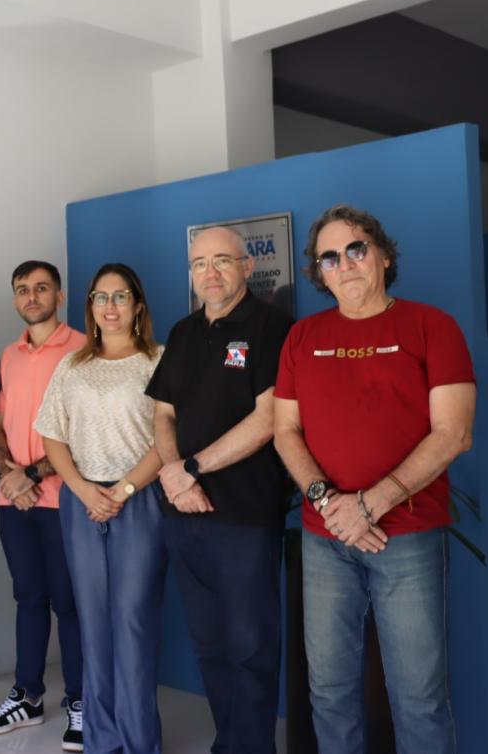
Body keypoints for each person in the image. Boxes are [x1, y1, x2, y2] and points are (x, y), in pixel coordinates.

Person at [274, 205, 474, 754]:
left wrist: (369, 504)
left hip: (407, 535)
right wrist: (329, 503)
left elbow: (454, 433)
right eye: (329, 257)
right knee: (329, 690)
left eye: (356, 249)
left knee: (419, 696)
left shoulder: (432, 326)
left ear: (383, 255)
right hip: (325, 538)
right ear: (319, 272)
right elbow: (285, 430)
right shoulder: (302, 337)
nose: (345, 264)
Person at [146, 226, 293, 754]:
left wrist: (191, 468)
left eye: (222, 261)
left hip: (244, 516)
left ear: (247, 267)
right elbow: (163, 413)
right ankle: (229, 744)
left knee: (250, 649)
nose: (210, 272)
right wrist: (174, 474)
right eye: (199, 263)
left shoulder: (273, 326)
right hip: (183, 515)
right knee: (209, 645)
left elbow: (269, 418)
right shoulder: (184, 332)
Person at [37, 262, 166, 754]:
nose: (110, 306)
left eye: (120, 296)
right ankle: (102, 739)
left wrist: (124, 490)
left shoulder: (158, 361)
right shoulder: (72, 366)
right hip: (82, 502)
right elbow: (53, 434)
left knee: (132, 620)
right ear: (90, 305)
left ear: (137, 305)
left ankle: (138, 741)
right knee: (92, 620)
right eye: (100, 297)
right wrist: (84, 489)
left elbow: (167, 437)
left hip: (140, 501)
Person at [0, 261, 86, 749]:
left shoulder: (83, 349)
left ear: (58, 297)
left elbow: (85, 432)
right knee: (29, 598)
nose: (32, 296)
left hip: (64, 498)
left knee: (70, 603)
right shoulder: (10, 354)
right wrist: (11, 477)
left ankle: (81, 702)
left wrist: (34, 475)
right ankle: (28, 697)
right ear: (16, 299)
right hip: (14, 502)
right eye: (23, 289)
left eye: (41, 288)